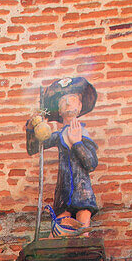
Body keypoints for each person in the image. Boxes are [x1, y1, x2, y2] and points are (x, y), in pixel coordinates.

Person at [26, 76, 99, 236]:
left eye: (72, 99)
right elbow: (34, 148)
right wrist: (34, 127)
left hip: (82, 191)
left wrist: (77, 143)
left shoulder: (82, 133)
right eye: (62, 101)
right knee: (57, 233)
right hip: (64, 193)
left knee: (83, 229)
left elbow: (91, 163)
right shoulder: (59, 135)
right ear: (59, 111)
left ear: (79, 106)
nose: (67, 103)